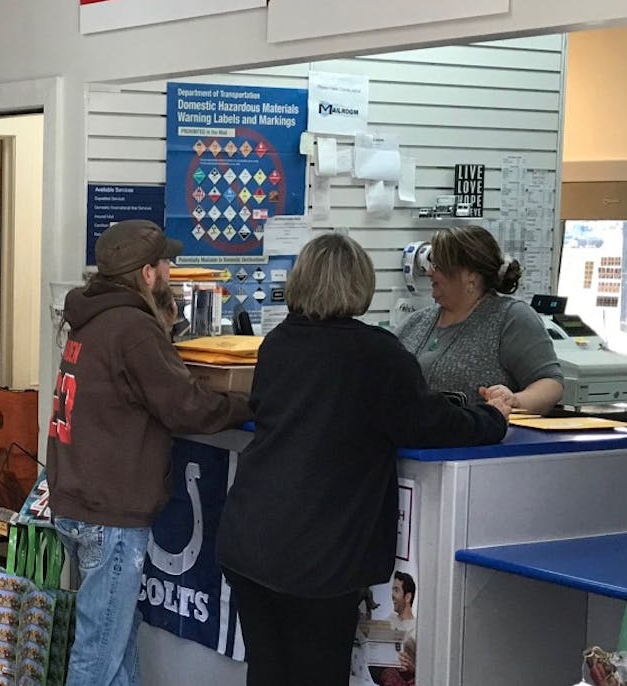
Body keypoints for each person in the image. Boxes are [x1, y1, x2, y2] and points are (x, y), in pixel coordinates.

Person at [216, 233, 510, 686]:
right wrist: (492, 418)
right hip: (318, 554)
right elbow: (430, 425)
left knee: (268, 672)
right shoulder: (377, 354)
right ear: (360, 284)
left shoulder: (278, 343)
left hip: (249, 538)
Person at [47, 219, 252, 686]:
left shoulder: (91, 319)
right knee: (98, 658)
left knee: (116, 652)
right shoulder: (132, 328)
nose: (171, 271)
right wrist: (248, 405)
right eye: (165, 264)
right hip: (111, 514)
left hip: (78, 500)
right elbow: (185, 406)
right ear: (146, 273)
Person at [396, 225, 563, 415]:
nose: (429, 273)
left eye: (438, 266)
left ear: (471, 276)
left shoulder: (510, 318)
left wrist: (514, 401)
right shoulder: (416, 322)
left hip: (482, 433)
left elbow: (550, 384)